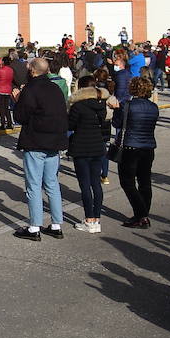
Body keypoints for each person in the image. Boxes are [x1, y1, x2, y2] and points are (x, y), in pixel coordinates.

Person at [11, 58, 68, 241]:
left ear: (33, 71)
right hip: (54, 142)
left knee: (34, 185)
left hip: (36, 141)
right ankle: (56, 224)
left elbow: (21, 116)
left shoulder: (30, 89)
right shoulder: (55, 88)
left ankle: (34, 227)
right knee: (52, 183)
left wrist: (18, 100)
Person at [113, 76, 160, 229]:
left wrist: (116, 110)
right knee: (145, 182)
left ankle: (141, 214)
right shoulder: (154, 107)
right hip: (148, 147)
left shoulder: (126, 105)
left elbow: (117, 123)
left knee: (127, 182)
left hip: (130, 147)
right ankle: (143, 213)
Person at [68, 75, 110, 233]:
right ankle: (97, 219)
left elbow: (70, 124)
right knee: (96, 184)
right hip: (98, 146)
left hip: (81, 146)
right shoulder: (101, 104)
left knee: (85, 185)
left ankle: (89, 219)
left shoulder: (77, 106)